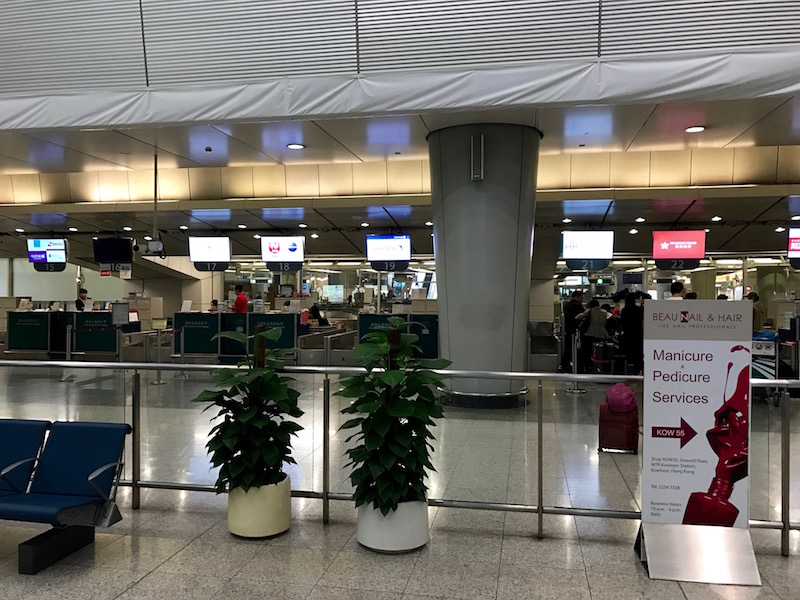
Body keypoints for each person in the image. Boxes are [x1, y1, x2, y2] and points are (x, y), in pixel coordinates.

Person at [576, 300, 610, 373]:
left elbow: (578, 317)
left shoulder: (590, 311)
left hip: (590, 334)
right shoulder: (605, 312)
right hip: (602, 335)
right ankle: (598, 367)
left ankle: (588, 368)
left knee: (588, 353)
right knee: (598, 353)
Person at [560, 291, 585, 372]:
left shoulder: (567, 305)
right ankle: (573, 367)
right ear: (576, 297)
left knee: (568, 348)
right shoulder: (577, 305)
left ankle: (564, 365)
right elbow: (582, 316)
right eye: (581, 297)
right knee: (573, 349)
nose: (582, 299)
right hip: (575, 330)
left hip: (568, 329)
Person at [620, 292, 644, 374]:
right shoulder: (639, 310)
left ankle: (628, 373)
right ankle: (637, 372)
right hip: (638, 335)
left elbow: (622, 323)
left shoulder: (624, 310)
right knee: (637, 356)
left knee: (628, 356)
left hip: (627, 335)